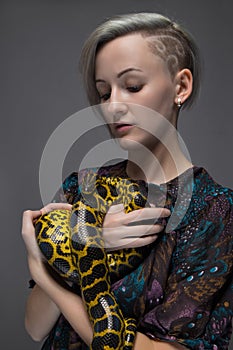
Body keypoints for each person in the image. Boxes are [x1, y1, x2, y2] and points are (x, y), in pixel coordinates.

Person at [21, 12, 233, 350]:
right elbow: (34, 326)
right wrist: (96, 242)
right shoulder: (82, 186)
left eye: (132, 86)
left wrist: (55, 262)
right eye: (104, 93)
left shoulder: (213, 210)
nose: (113, 106)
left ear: (181, 87)